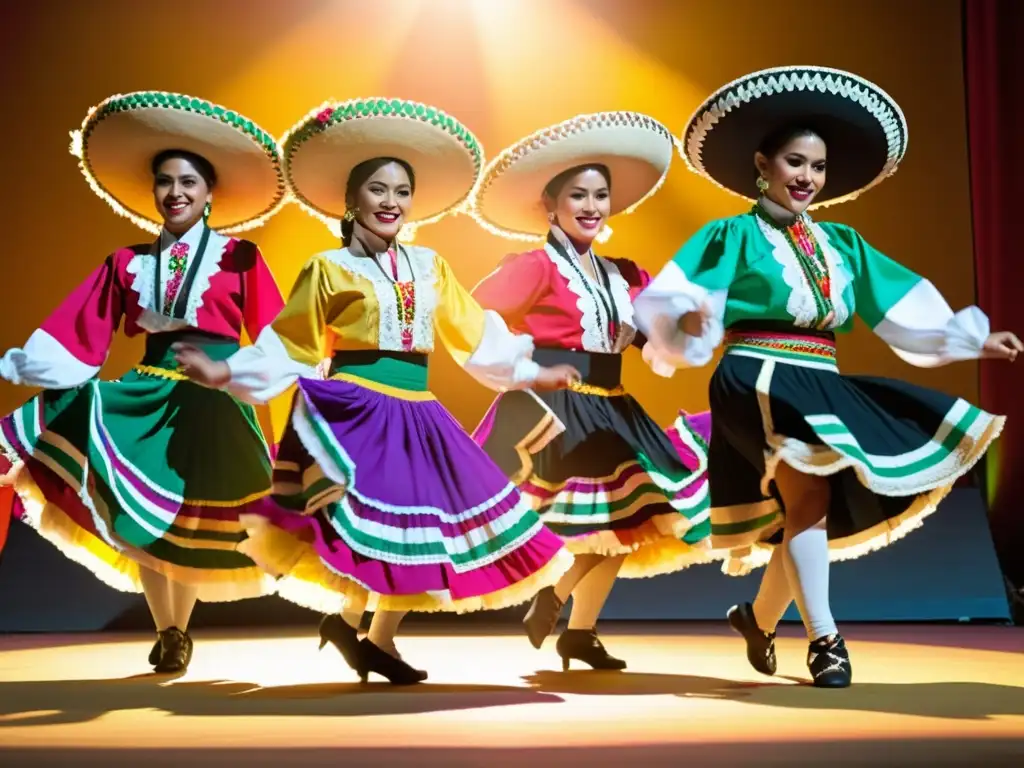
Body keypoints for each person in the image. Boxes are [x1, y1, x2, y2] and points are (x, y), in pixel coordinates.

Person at [633, 66, 1020, 688]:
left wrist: (972, 337)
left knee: (805, 507)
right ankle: (826, 640)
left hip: (819, 375)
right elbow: (671, 300)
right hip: (757, 373)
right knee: (808, 494)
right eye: (794, 162)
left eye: (817, 167)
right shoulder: (731, 234)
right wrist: (690, 313)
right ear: (763, 164)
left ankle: (758, 621)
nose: (807, 177)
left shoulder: (841, 242)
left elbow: (899, 304)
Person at [174, 97, 579, 685]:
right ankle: (364, 634)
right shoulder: (328, 268)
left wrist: (530, 370)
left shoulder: (430, 266)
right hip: (357, 408)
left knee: (423, 529)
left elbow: (472, 333)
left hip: (419, 412)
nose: (391, 202)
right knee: (380, 525)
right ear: (352, 201)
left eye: (401, 192)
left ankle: (366, 634)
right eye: (378, 190)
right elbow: (291, 343)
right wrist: (226, 372)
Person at [0, 91, 288, 673]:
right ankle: (171, 633)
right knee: (149, 518)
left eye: (188, 182)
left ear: (211, 194)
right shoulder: (126, 261)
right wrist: (24, 365)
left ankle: (178, 628)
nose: (175, 192)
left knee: (191, 519)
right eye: (165, 181)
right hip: (149, 397)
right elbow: (79, 332)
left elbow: (281, 339)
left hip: (217, 402)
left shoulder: (241, 258)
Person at [467, 112, 713, 670]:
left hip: (614, 406)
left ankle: (578, 627)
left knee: (628, 523)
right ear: (550, 205)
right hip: (556, 405)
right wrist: (523, 365)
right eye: (577, 194)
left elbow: (662, 333)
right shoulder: (533, 266)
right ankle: (553, 599)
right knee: (590, 526)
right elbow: (471, 318)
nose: (590, 206)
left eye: (600, 195)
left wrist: (682, 325)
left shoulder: (626, 274)